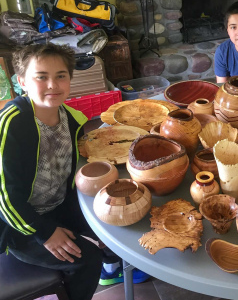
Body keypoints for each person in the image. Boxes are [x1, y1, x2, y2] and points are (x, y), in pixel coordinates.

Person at [0, 44, 148, 300]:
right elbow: (5, 198)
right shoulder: (11, 123)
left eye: (60, 76)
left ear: (70, 79)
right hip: (19, 224)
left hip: (59, 204)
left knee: (116, 217)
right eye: (41, 76)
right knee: (85, 260)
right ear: (22, 81)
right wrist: (44, 233)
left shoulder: (73, 119)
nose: (52, 85)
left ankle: (111, 268)